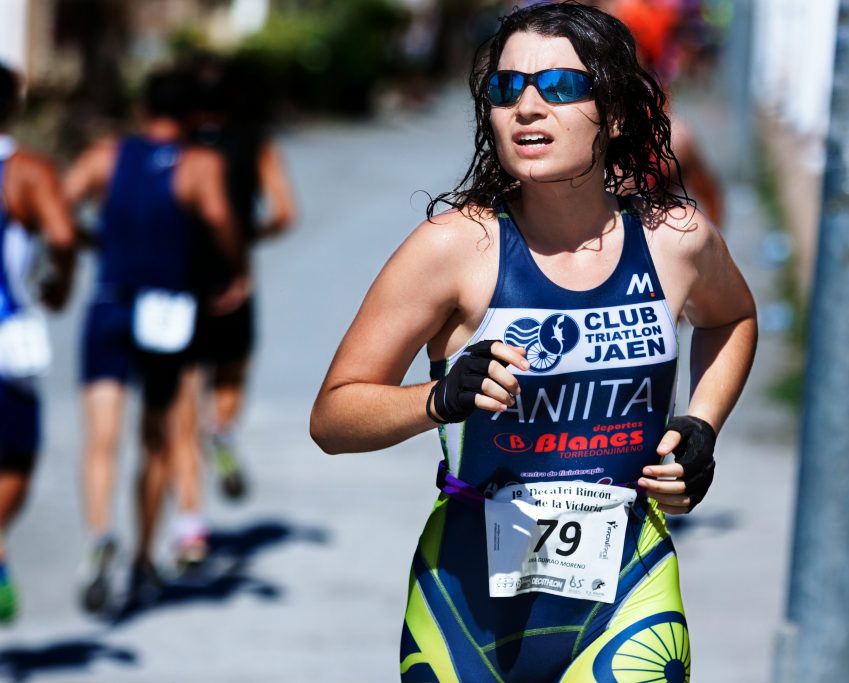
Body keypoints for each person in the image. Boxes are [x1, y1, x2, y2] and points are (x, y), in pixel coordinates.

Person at [311, 4, 756, 680]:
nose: (526, 107)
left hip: (627, 593)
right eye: (505, 87)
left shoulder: (676, 239)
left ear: (614, 113)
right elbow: (332, 417)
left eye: (559, 86)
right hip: (466, 609)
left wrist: (701, 424)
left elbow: (733, 317)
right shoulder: (452, 249)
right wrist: (438, 398)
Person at [64, 68, 246, 614]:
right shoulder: (199, 163)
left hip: (110, 303)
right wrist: (233, 270)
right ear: (192, 115)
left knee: (101, 438)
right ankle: (143, 557)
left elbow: (60, 208)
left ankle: (100, 535)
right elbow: (219, 218)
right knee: (157, 440)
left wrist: (89, 240)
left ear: (143, 108)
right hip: (169, 310)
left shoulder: (105, 156)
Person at [164, 57, 296, 573]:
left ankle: (190, 528)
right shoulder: (255, 143)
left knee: (179, 413)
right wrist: (245, 238)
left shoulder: (177, 147)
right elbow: (284, 213)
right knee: (231, 374)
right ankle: (222, 429)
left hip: (177, 285)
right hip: (234, 284)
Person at [0, 63, 76, 624]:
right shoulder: (24, 171)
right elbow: (63, 234)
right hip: (7, 338)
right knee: (16, 460)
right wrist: (60, 284)